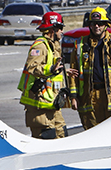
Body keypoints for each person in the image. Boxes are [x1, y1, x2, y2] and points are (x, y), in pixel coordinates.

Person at [69, 7, 111, 130]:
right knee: (91, 132)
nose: (96, 26)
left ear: (106, 25)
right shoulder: (80, 45)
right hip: (88, 97)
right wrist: (73, 97)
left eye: (100, 23)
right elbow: (73, 74)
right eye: (93, 23)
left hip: (110, 96)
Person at [18, 11, 76, 139]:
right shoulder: (40, 46)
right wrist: (51, 68)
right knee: (46, 138)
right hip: (39, 105)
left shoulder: (53, 46)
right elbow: (32, 67)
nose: (62, 31)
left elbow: (50, 69)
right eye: (60, 28)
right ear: (52, 29)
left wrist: (63, 71)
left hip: (51, 103)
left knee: (62, 135)